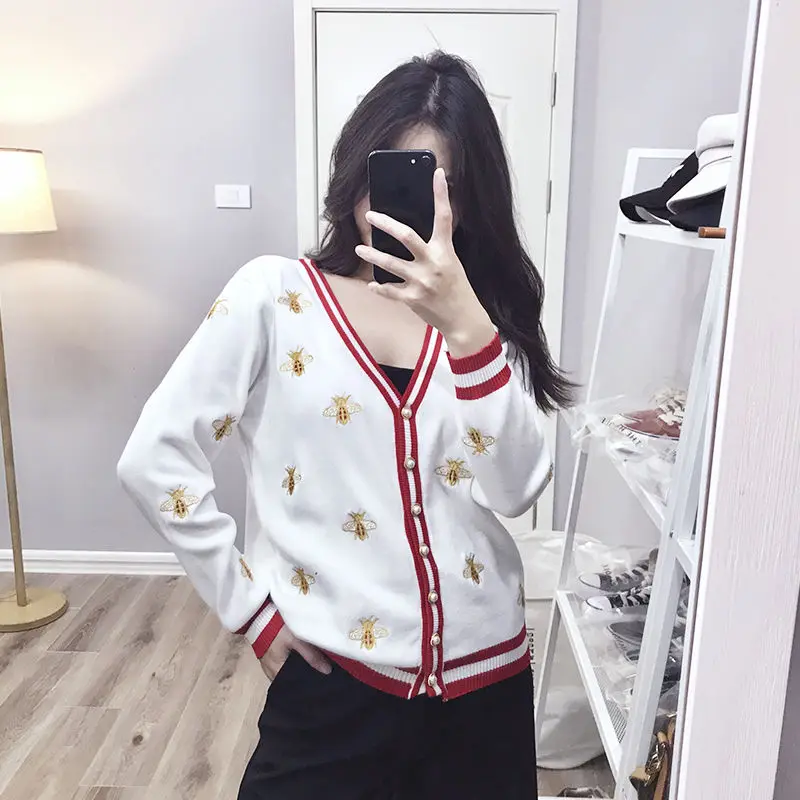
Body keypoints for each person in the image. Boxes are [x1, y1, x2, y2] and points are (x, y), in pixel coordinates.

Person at [117, 51, 572, 800]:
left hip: (486, 683)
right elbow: (154, 458)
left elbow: (517, 488)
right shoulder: (276, 296)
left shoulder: (483, 318)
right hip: (336, 686)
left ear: (468, 197)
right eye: (388, 172)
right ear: (357, 169)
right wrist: (250, 614)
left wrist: (468, 330)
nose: (398, 203)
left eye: (441, 183)